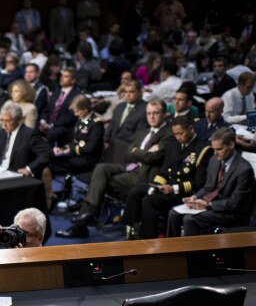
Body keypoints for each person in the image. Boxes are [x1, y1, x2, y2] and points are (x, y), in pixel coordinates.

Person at [58, 99, 174, 238]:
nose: (152, 117)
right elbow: (127, 154)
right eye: (149, 113)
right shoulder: (144, 131)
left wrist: (137, 152)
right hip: (130, 167)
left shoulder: (168, 134)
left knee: (100, 182)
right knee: (101, 169)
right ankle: (90, 214)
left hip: (143, 175)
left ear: (164, 114)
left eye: (156, 113)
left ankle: (83, 222)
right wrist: (144, 152)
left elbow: (153, 158)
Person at [122, 115, 211, 239]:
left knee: (149, 200)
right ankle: (131, 230)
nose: (178, 137)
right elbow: (164, 172)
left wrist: (173, 188)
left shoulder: (203, 149)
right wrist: (156, 186)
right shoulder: (173, 146)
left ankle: (148, 239)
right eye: (175, 134)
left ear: (191, 129)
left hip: (184, 194)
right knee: (136, 191)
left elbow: (199, 183)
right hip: (167, 189)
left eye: (181, 133)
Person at [167, 128, 255, 237]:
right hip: (211, 206)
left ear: (231, 145)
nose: (215, 153)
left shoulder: (244, 170)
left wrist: (208, 205)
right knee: (173, 214)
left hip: (231, 214)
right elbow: (208, 187)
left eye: (219, 149)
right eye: (214, 149)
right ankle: (173, 252)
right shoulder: (214, 160)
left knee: (189, 219)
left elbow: (234, 204)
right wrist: (194, 197)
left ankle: (194, 253)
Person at [49, 94, 104, 175]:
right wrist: (63, 149)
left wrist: (71, 149)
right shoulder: (81, 119)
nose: (75, 114)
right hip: (76, 155)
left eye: (77, 111)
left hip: (87, 159)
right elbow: (75, 141)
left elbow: (90, 148)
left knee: (54, 162)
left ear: (85, 109)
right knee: (51, 155)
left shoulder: (96, 123)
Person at [39, 68, 81, 146]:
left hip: (65, 127)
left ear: (73, 80)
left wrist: (51, 125)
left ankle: (48, 156)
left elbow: (71, 117)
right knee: (32, 129)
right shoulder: (56, 91)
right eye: (62, 75)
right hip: (49, 124)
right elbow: (47, 109)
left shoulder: (77, 96)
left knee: (51, 133)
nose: (61, 78)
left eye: (66, 76)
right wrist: (43, 121)